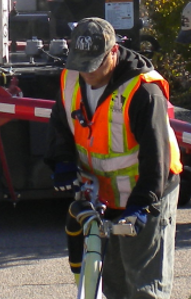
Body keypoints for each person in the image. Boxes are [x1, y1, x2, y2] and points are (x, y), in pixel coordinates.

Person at [45, 17, 182, 299]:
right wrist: (63, 161)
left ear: (114, 52)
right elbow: (61, 122)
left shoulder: (143, 91)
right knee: (114, 284)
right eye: (82, 65)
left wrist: (143, 203)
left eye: (94, 65)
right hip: (105, 197)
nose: (88, 73)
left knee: (145, 287)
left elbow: (156, 156)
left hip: (147, 193)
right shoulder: (71, 77)